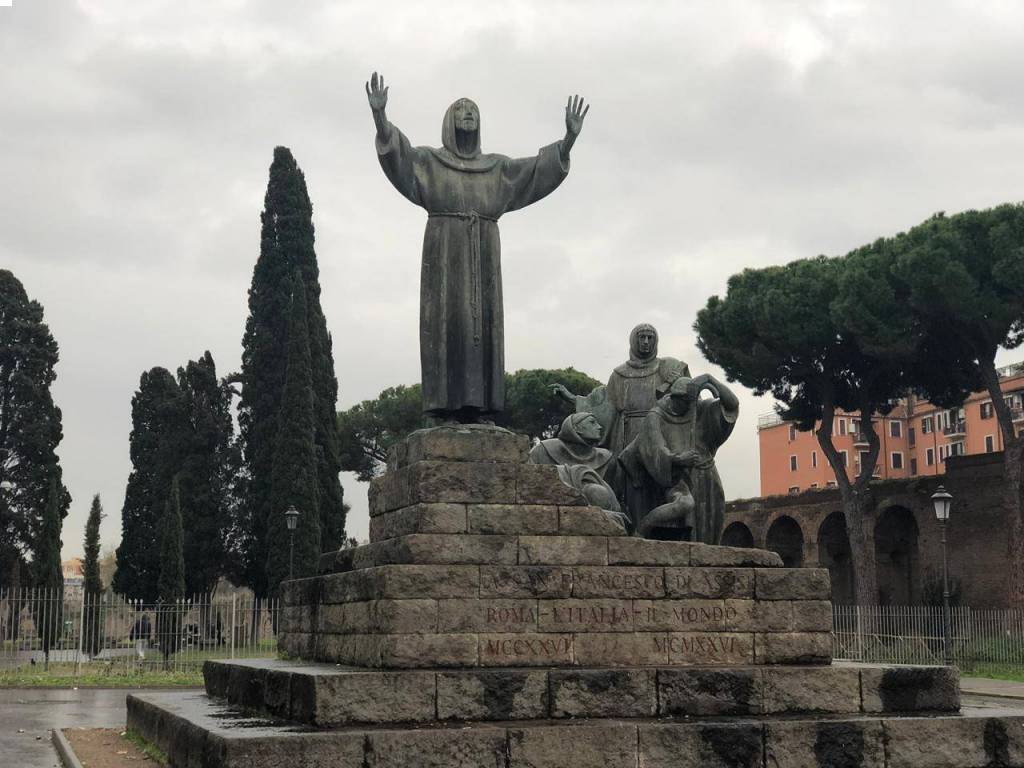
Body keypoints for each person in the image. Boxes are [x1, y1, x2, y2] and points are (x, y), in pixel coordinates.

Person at [367, 72, 588, 422]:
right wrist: (380, 118)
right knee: (444, 324)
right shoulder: (430, 162)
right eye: (461, 108)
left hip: (484, 254)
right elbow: (399, 156)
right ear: (449, 121)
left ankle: (481, 408)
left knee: (484, 327)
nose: (468, 112)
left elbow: (534, 172)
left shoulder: (496, 168)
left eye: (473, 109)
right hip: (443, 252)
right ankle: (442, 409)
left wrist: (567, 142)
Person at [552, 323, 689, 522]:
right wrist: (572, 398)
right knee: (635, 488)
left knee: (666, 484)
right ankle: (636, 528)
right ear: (633, 341)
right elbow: (603, 405)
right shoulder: (619, 374)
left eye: (650, 338)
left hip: (662, 434)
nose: (646, 342)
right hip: (628, 437)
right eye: (641, 337)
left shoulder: (668, 368)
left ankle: (667, 529)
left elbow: (686, 397)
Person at [620, 373, 738, 543]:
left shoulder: (700, 409)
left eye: (691, 401)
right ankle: (642, 529)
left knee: (711, 528)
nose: (689, 405)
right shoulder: (656, 416)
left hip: (708, 478)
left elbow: (732, 405)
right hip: (677, 479)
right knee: (686, 524)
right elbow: (656, 450)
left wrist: (710, 380)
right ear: (676, 397)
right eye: (685, 401)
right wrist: (679, 459)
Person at [529, 412, 628, 530]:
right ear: (576, 428)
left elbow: (614, 496)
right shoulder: (544, 450)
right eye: (592, 422)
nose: (599, 427)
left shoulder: (606, 458)